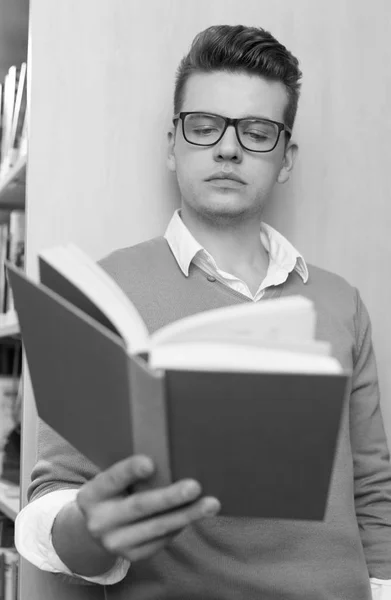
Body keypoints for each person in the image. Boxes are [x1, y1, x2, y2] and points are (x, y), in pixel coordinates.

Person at [15, 24, 391, 600]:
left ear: (286, 158)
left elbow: (373, 489)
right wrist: (87, 531)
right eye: (204, 125)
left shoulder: (342, 300)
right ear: (172, 144)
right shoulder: (103, 290)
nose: (229, 147)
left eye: (258, 131)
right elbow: (57, 498)